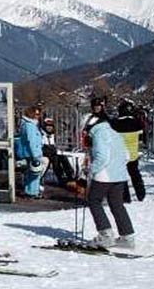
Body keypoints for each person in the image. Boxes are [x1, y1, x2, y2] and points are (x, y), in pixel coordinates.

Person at [85, 111, 136, 248]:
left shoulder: (99, 133)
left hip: (104, 175)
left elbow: (102, 157)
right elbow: (126, 155)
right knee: (117, 204)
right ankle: (127, 237)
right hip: (119, 175)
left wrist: (91, 170)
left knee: (94, 200)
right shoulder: (115, 133)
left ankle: (105, 235)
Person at [111, 100, 146, 202]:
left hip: (120, 154)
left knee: (122, 176)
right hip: (133, 153)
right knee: (135, 174)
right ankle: (141, 194)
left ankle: (126, 197)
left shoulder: (115, 123)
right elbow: (142, 134)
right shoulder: (137, 123)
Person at [15, 106, 48, 199]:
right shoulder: (30, 126)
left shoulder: (26, 124)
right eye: (36, 114)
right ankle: (32, 192)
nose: (38, 116)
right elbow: (32, 141)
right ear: (31, 114)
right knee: (34, 173)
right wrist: (35, 155)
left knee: (31, 172)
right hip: (32, 153)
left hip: (29, 152)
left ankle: (31, 190)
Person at [41, 118, 79, 192]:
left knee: (63, 158)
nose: (49, 128)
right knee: (55, 159)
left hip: (51, 152)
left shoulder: (52, 135)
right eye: (47, 126)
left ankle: (70, 176)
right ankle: (61, 178)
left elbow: (53, 146)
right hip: (44, 153)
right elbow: (42, 147)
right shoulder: (42, 134)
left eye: (51, 126)